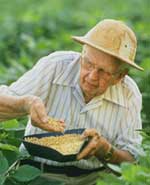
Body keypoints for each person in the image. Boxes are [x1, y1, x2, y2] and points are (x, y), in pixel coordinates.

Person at [0, 19, 144, 185]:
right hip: (37, 174)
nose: (92, 77)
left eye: (103, 72)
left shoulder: (129, 94)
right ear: (82, 54)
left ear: (120, 76)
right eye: (88, 63)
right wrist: (25, 103)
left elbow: (132, 161)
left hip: (93, 179)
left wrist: (105, 150)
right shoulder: (55, 67)